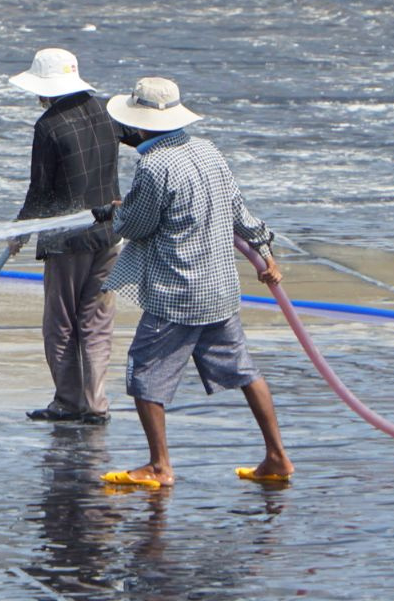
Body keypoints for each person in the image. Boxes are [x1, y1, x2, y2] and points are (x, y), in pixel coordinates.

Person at [95, 77, 293, 488]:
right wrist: (266, 254)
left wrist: (114, 213)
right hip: (219, 289)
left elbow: (138, 225)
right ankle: (277, 456)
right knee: (244, 370)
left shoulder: (153, 165)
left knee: (143, 373)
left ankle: (159, 466)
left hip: (177, 293)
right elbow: (241, 212)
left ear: (140, 123)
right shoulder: (207, 150)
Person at [7, 48, 122, 426]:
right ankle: (96, 403)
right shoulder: (105, 111)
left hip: (67, 241)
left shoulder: (49, 126)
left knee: (61, 323)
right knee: (95, 322)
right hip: (109, 232)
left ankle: (68, 402)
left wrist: (20, 231)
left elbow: (39, 192)